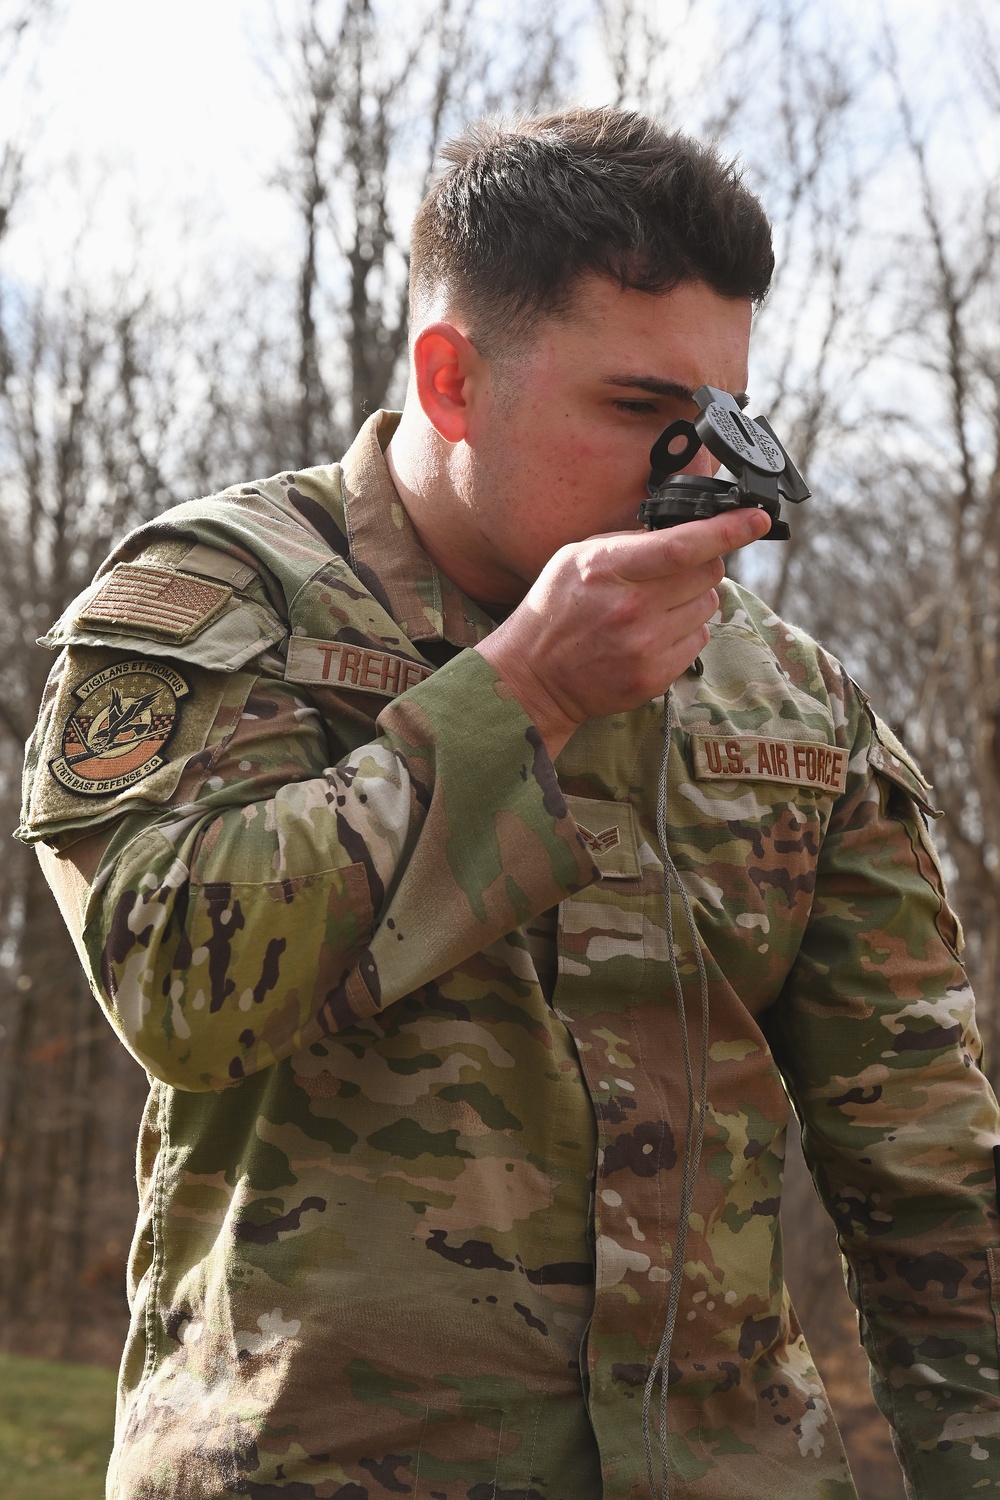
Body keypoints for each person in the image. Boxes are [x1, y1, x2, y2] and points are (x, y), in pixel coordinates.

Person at [18, 108, 1000, 1500]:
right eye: (642, 413)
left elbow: (934, 1186)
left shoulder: (788, 700)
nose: (699, 474)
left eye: (718, 420)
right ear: (453, 378)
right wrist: (522, 695)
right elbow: (177, 983)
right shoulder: (218, 608)